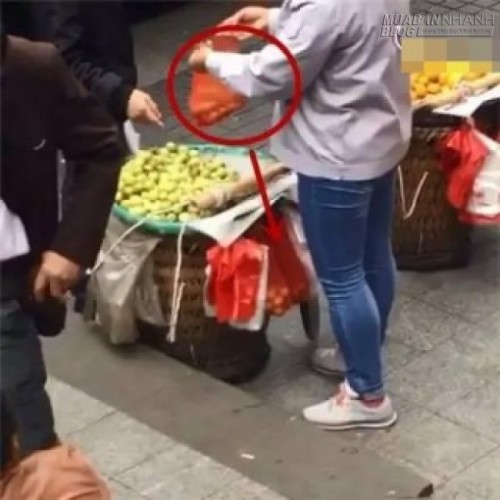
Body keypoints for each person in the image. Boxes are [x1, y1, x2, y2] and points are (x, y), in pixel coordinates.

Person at [189, 0, 412, 430]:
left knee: (342, 277)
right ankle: (359, 353)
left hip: (335, 155)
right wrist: (276, 19)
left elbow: (275, 73)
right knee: (373, 255)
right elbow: (349, 27)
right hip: (379, 137)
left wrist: (211, 61)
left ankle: (367, 394)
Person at [1, 28, 123, 496]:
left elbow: (100, 150)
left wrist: (70, 248)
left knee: (34, 459)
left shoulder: (31, 67)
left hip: (6, 292)